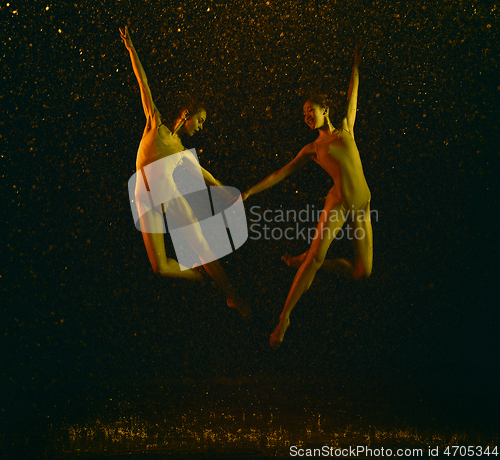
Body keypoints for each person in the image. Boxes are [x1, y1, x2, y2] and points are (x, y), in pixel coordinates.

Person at [242, 47, 372, 347]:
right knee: (314, 260)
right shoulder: (313, 149)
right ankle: (284, 317)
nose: (305, 117)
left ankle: (308, 257)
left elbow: (353, 94)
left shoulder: (346, 130)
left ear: (324, 109)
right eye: (302, 115)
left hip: (362, 208)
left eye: (309, 111)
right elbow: (280, 173)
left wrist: (355, 64)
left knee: (362, 272)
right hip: (338, 203)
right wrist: (249, 190)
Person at [120, 25, 250, 318]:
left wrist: (226, 190)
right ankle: (202, 277)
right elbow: (144, 84)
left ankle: (233, 296)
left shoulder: (181, 151)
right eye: (201, 120)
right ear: (186, 115)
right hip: (143, 196)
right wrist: (131, 49)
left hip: (167, 194)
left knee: (203, 246)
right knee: (160, 267)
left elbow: (205, 174)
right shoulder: (156, 125)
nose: (201, 127)